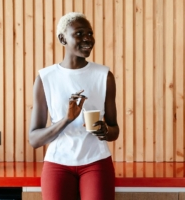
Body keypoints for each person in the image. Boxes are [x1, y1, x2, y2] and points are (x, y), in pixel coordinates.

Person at [29, 12, 119, 200]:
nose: (87, 38)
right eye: (79, 33)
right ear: (63, 39)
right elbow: (34, 140)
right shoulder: (45, 79)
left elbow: (114, 130)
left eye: (90, 33)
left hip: (96, 161)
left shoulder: (104, 76)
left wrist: (105, 131)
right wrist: (67, 119)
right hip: (57, 163)